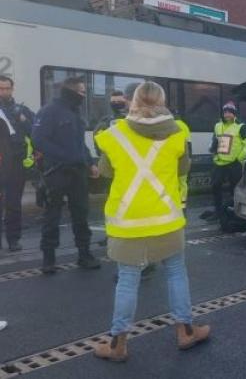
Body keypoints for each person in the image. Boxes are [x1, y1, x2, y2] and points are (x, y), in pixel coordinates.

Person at [93, 81, 209, 362]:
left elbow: (106, 171)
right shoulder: (178, 132)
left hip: (127, 222)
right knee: (176, 273)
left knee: (127, 280)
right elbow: (183, 169)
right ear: (162, 101)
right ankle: (185, 332)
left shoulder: (114, 134)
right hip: (167, 220)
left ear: (132, 101)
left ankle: (118, 344)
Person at [32, 76, 101, 274]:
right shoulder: (49, 112)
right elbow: (38, 139)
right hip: (55, 172)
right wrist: (66, 156)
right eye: (81, 92)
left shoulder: (75, 113)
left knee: (81, 214)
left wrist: (90, 162)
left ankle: (84, 254)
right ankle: (49, 258)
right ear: (70, 91)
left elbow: (80, 144)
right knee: (51, 215)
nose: (83, 96)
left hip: (77, 172)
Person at [0, 75, 34, 251]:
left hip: (16, 162)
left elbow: (36, 130)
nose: (4, 92)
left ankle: (13, 240)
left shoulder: (21, 110)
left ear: (12, 89)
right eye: (1, 88)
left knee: (13, 203)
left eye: (7, 88)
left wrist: (23, 120)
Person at [210, 101, 246, 232]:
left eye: (230, 112)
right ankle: (218, 211)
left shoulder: (241, 126)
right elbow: (214, 142)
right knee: (215, 186)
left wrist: (239, 158)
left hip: (234, 163)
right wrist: (214, 154)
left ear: (234, 114)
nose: (227, 114)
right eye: (225, 112)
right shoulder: (217, 126)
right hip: (219, 162)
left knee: (234, 189)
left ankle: (234, 213)